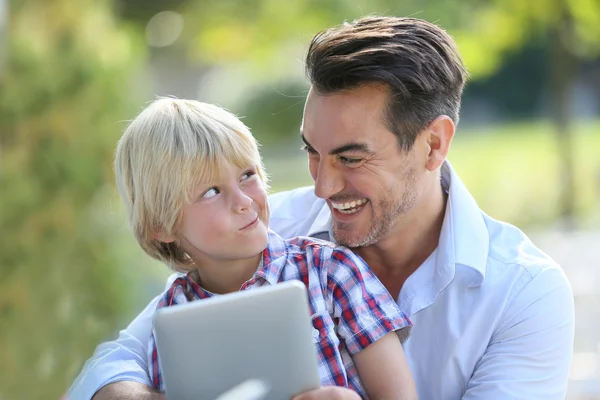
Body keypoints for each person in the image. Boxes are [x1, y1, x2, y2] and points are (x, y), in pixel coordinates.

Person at [68, 16, 575, 400]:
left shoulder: (524, 293)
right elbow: (113, 365)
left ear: (433, 145)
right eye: (312, 151)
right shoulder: (260, 231)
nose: (323, 187)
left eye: (350, 157)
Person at [98, 97, 415, 399]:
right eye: (211, 191)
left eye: (247, 175)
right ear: (163, 226)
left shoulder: (331, 271)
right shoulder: (172, 318)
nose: (244, 201)